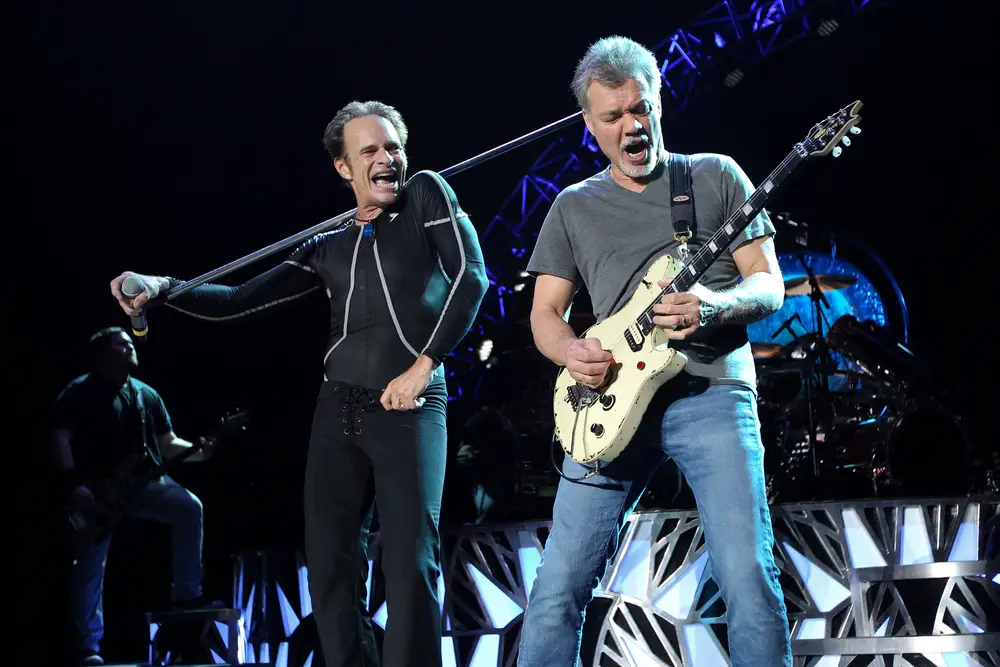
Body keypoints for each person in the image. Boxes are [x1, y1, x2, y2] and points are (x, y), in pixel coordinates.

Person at [109, 100, 489, 667]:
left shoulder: (427, 196)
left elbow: (472, 276)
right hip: (338, 411)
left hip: (408, 402)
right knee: (330, 566)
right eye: (369, 151)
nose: (387, 159)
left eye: (393, 147)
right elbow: (237, 301)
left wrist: (423, 366)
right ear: (343, 167)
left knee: (410, 562)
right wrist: (164, 287)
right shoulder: (326, 244)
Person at [517, 36, 792, 666]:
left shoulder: (715, 175)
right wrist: (571, 352)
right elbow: (544, 315)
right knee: (557, 588)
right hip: (609, 401)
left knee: (746, 574)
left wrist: (714, 305)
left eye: (640, 109)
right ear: (590, 126)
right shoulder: (572, 207)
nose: (631, 126)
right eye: (612, 116)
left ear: (659, 104)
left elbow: (769, 284)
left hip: (710, 391)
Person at [50, 327, 218, 667]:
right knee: (90, 565)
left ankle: (186, 594)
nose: (130, 347)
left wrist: (200, 451)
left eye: (130, 343)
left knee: (188, 507)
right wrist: (73, 484)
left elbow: (167, 442)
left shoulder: (146, 394)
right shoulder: (81, 391)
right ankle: (86, 646)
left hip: (144, 486)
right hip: (99, 493)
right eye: (121, 343)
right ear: (102, 353)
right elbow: (59, 436)